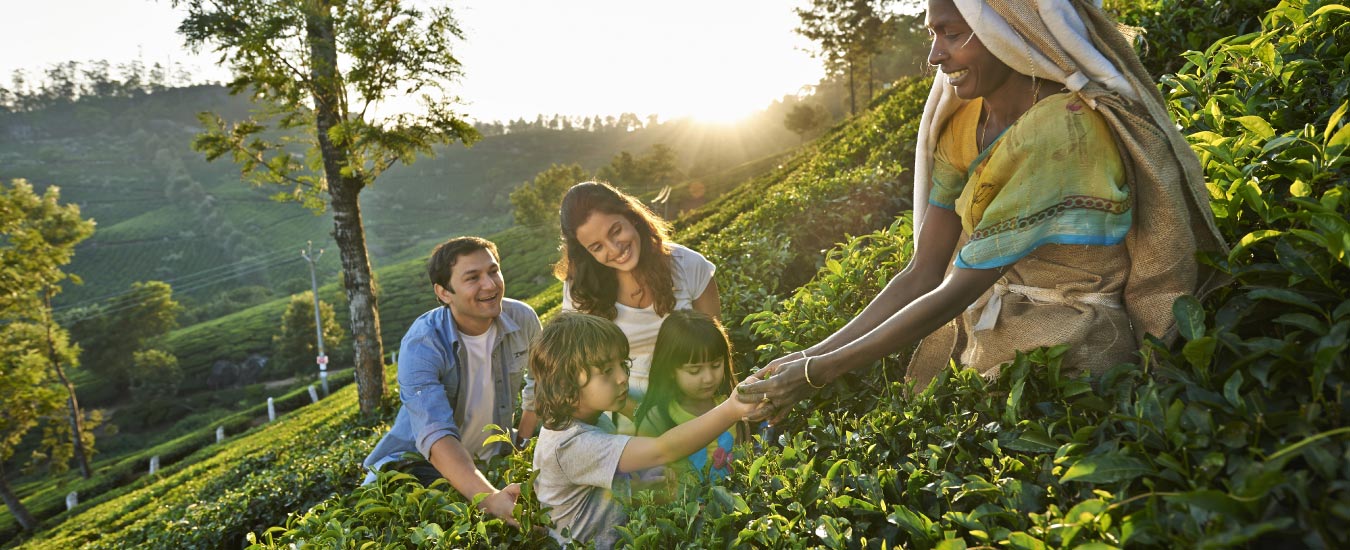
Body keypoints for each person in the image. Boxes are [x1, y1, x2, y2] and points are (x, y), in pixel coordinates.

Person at [738, 0, 1226, 421]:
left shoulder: (1063, 129)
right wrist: (807, 353)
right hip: (995, 342)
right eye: (932, 35)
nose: (935, 55)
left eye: (951, 33)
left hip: (1076, 354)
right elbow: (922, 271)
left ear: (1007, 30)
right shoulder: (965, 120)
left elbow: (957, 289)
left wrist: (819, 373)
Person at [530, 312, 761, 549]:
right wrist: (732, 409)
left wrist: (640, 488)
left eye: (623, 364)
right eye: (606, 371)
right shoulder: (572, 445)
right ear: (564, 383)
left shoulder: (593, 419)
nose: (622, 377)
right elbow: (663, 449)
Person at [361, 237, 541, 526]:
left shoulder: (522, 318)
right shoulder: (423, 343)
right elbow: (436, 436)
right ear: (444, 292)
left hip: (487, 463)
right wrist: (489, 497)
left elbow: (539, 387)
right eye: (473, 278)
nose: (491, 285)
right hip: (416, 467)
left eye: (493, 271)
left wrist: (520, 449)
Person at [531, 181, 719, 431]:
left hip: (694, 400)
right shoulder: (581, 289)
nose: (614, 249)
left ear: (632, 217)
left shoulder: (689, 265)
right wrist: (643, 416)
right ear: (586, 252)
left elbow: (716, 349)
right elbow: (578, 368)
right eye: (597, 247)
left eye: (616, 231)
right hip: (623, 410)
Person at [633, 310, 750, 481]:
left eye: (716, 365)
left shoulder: (732, 407)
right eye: (695, 371)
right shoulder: (657, 419)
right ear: (671, 370)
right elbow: (642, 476)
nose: (709, 378)